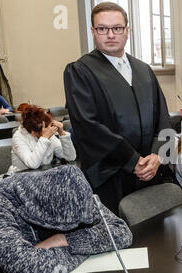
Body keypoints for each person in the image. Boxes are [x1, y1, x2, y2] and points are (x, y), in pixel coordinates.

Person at [64, 2, 171, 214]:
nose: (110, 34)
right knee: (120, 239)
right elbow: (88, 127)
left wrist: (159, 155)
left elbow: (163, 118)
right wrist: (133, 161)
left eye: (117, 28)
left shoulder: (143, 70)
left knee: (156, 235)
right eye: (102, 28)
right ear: (93, 32)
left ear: (127, 31)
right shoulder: (80, 71)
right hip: (110, 175)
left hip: (151, 170)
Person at [0, 166, 133, 273]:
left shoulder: (72, 187)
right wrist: (91, 246)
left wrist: (63, 239)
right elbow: (26, 270)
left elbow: (121, 232)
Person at [8, 104, 76, 173]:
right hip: (22, 177)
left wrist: (62, 134)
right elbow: (33, 164)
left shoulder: (47, 132)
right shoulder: (18, 137)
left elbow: (70, 157)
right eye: (43, 130)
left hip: (44, 174)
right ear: (33, 132)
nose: (48, 131)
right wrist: (44, 138)